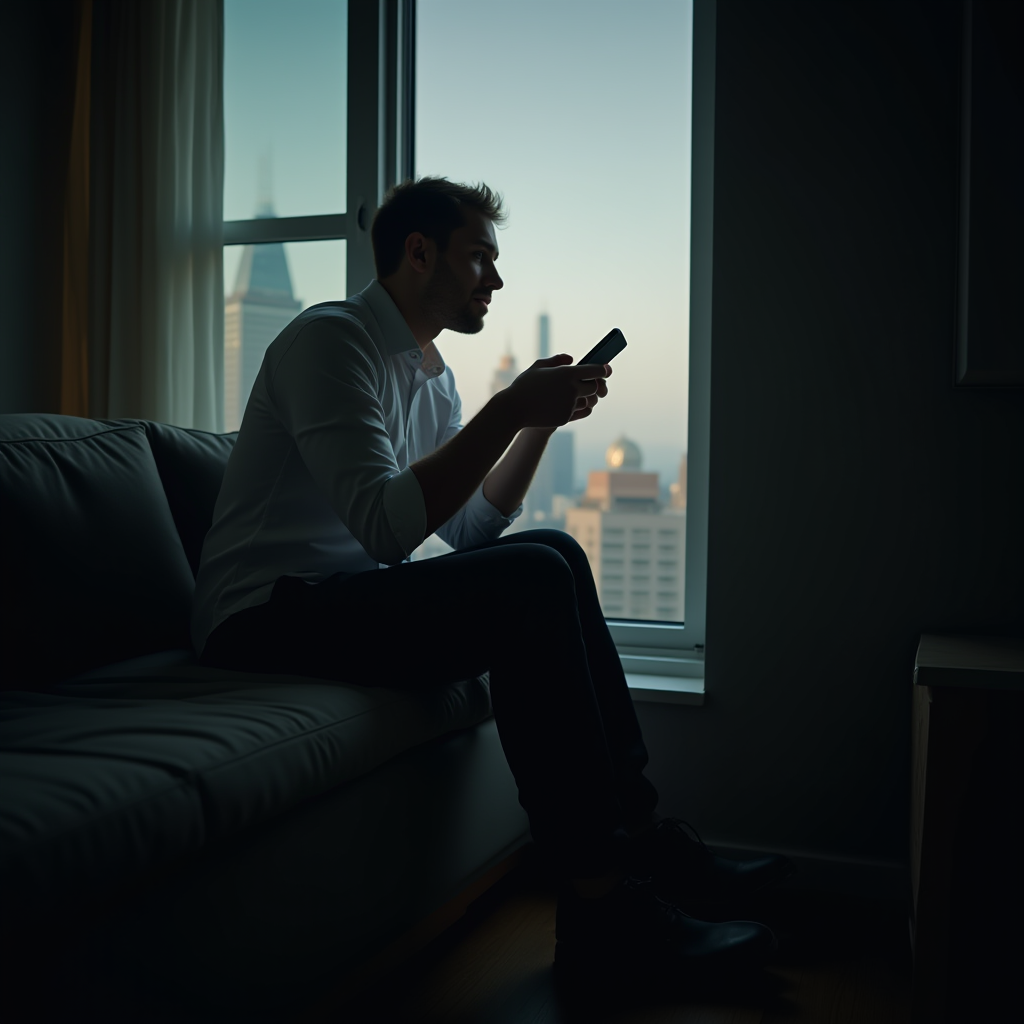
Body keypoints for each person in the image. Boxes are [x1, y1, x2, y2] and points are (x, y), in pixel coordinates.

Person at [193, 177, 791, 981]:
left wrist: (535, 425)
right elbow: (386, 525)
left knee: (555, 553)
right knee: (531, 579)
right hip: (262, 619)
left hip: (338, 602)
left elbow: (468, 531)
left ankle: (642, 849)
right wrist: (507, 409)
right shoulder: (328, 343)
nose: (495, 281)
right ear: (418, 253)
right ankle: (601, 909)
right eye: (480, 259)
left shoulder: (430, 376)